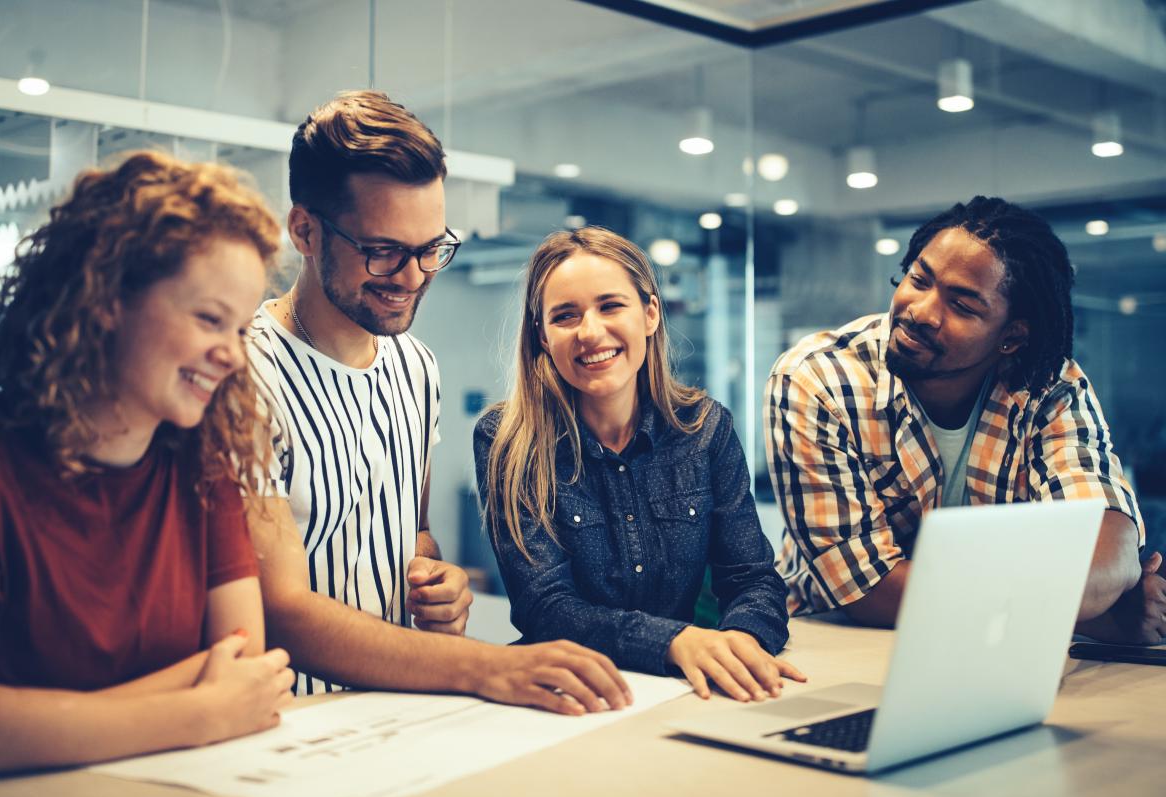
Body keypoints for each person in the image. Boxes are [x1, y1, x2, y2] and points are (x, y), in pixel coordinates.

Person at [247, 91, 629, 713]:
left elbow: (415, 533)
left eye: (431, 248)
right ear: (305, 231)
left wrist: (440, 582)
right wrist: (483, 665)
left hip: (400, 715)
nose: (414, 276)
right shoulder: (242, 374)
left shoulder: (415, 366)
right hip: (285, 722)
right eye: (383, 251)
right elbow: (278, 608)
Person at [0, 151, 295, 775]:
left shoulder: (204, 466)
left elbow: (245, 668)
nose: (229, 355)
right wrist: (199, 712)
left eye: (241, 329)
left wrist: (34, 722)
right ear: (107, 297)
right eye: (208, 319)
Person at [765, 195, 1163, 644]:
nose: (920, 311)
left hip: (992, 649)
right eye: (919, 279)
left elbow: (1108, 543)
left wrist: (1099, 584)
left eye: (963, 306)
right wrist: (1096, 616)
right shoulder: (818, 379)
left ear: (1012, 336)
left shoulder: (1047, 385)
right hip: (833, 643)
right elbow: (867, 589)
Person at [475, 226, 806, 703]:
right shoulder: (507, 441)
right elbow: (544, 608)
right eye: (565, 316)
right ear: (543, 337)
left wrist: (742, 645)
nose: (590, 332)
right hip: (564, 698)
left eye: (610, 306)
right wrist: (673, 642)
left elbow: (752, 578)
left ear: (650, 313)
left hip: (684, 693)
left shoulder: (705, 429)